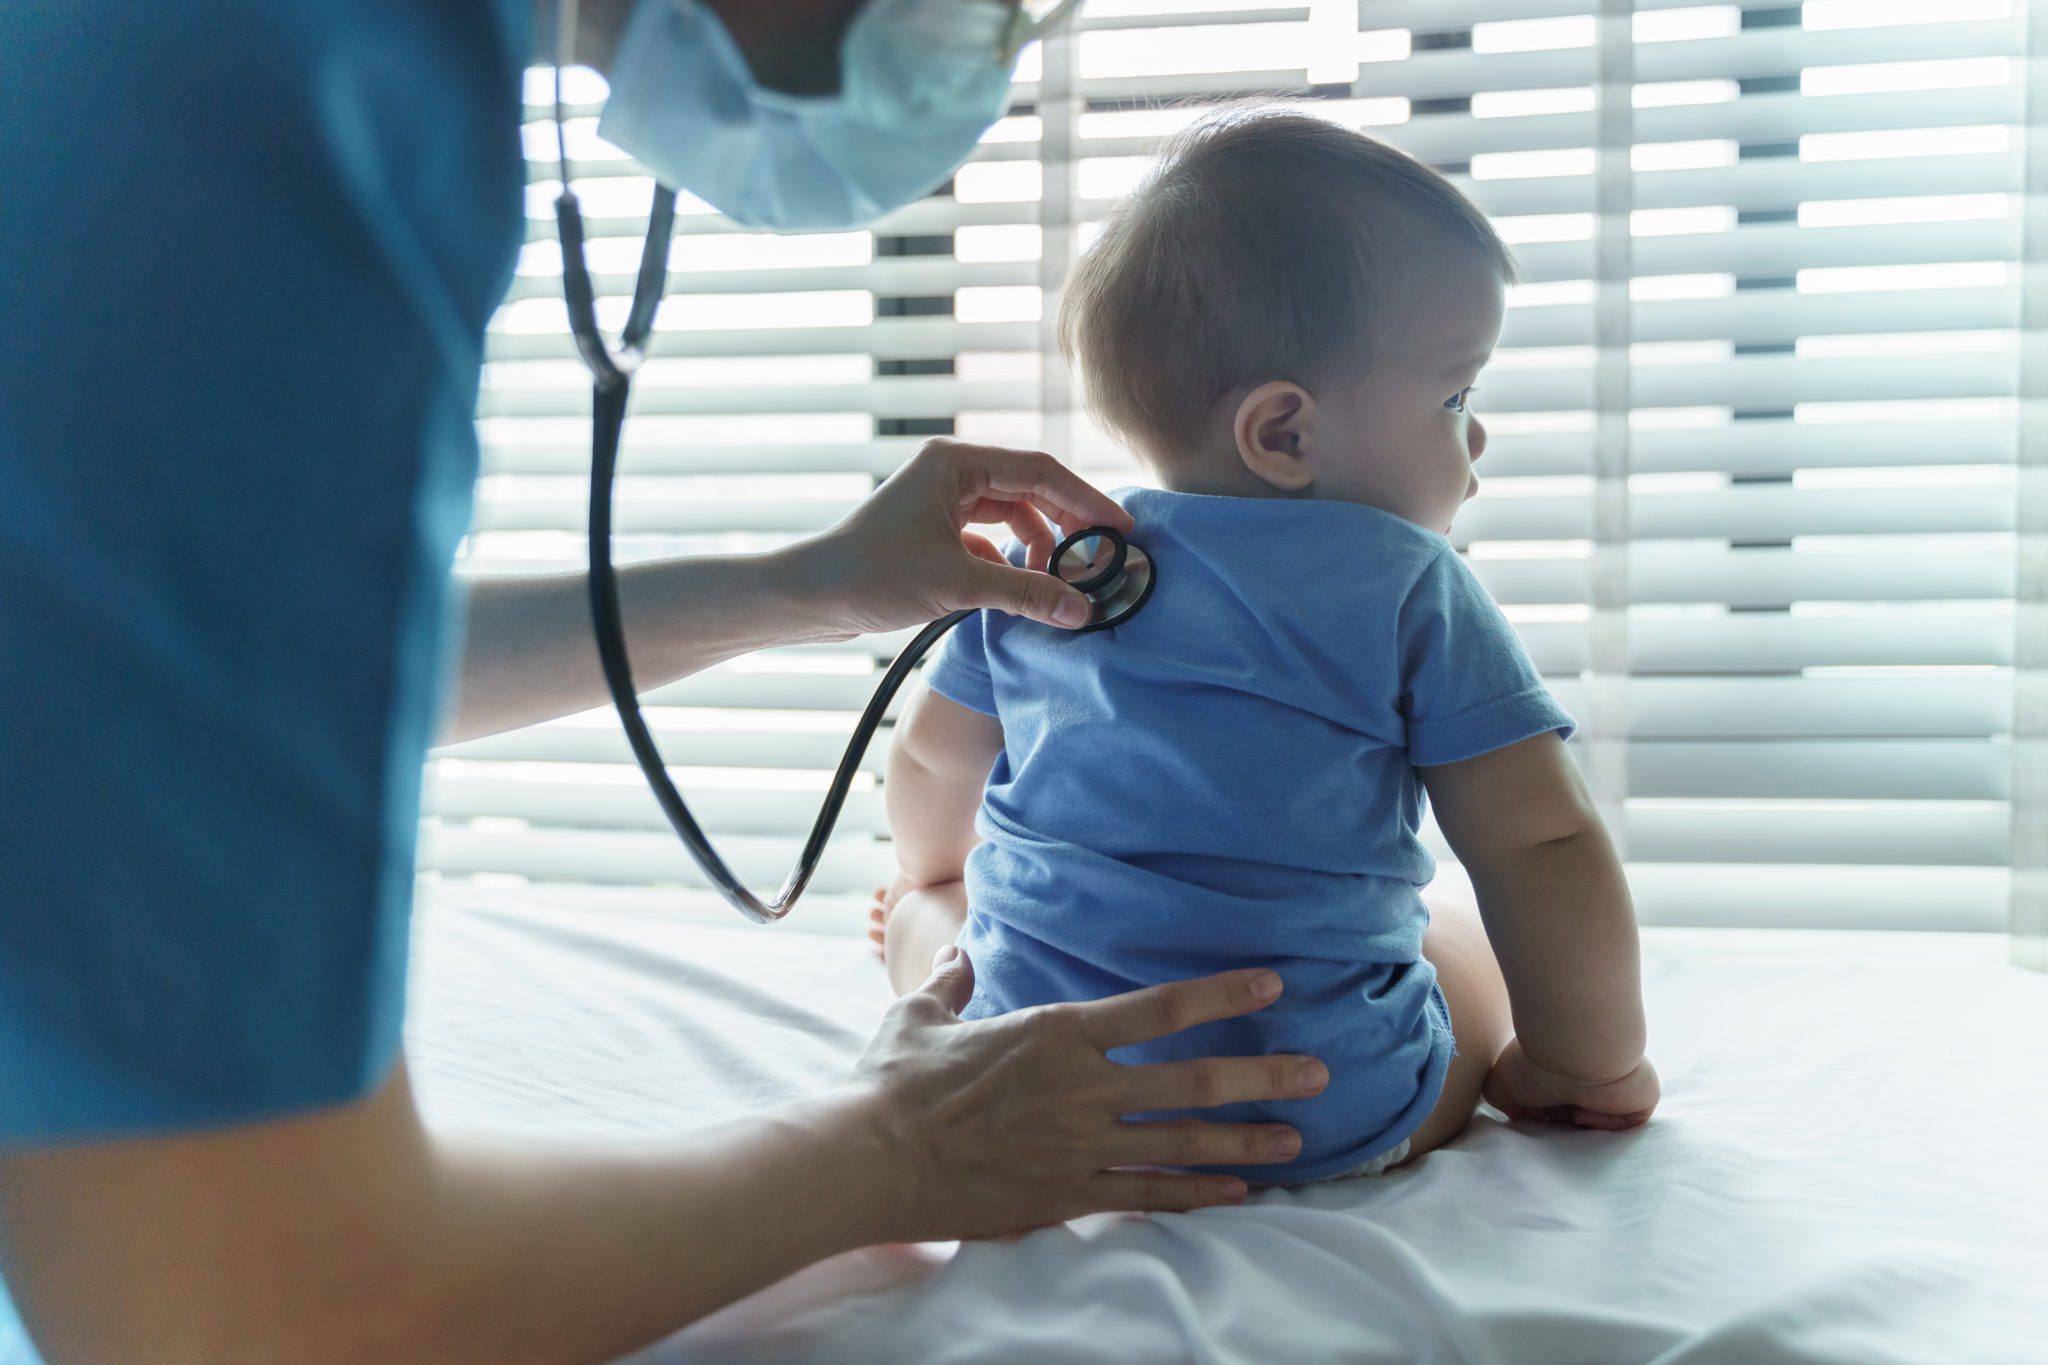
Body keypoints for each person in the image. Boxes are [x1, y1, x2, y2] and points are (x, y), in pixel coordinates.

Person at [0, 4, 1331, 1362]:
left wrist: (801, 584)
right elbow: (259, 1309)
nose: (991, 41)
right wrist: (899, 1146)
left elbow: (208, 656)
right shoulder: (271, 80)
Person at [872, 109, 1663, 1183]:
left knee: (942, 926)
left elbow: (928, 760)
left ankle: (913, 928)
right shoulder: (1408, 587)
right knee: (1453, 942)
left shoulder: (1052, 564)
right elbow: (1541, 845)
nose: (1474, 438)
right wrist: (1587, 1063)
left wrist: (930, 875)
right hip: (1311, 1109)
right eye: (1454, 395)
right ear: (1283, 433)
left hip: (1035, 1093)